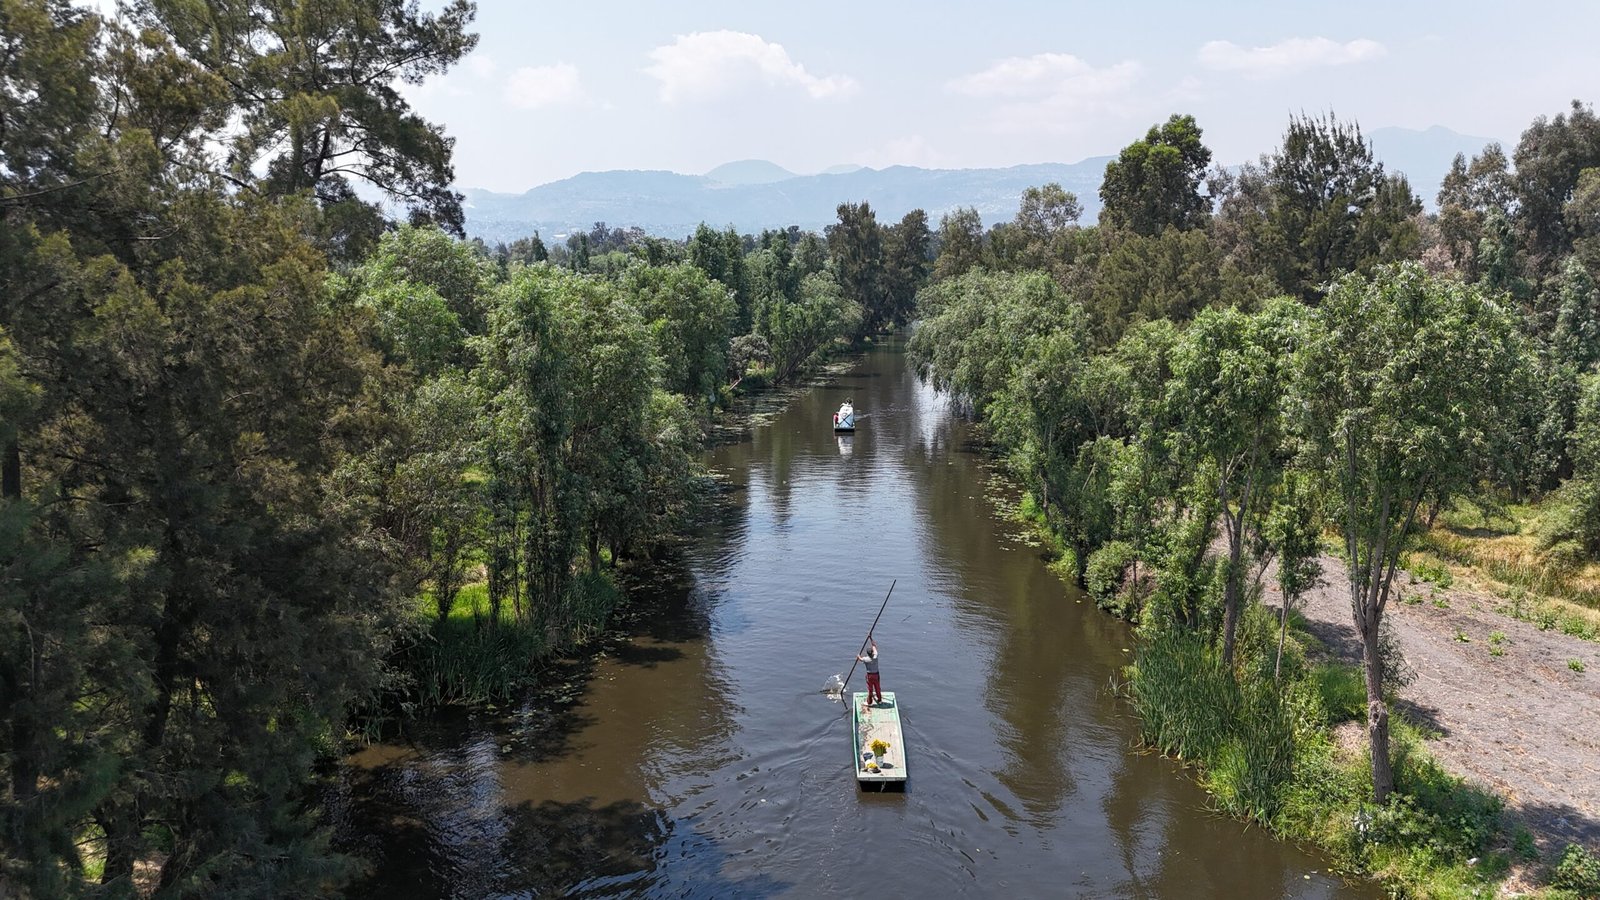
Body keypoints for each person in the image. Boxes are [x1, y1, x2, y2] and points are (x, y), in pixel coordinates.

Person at [858, 639, 882, 706]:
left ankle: (869, 702)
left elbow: (860, 659)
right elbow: (874, 646)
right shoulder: (875, 656)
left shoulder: (866, 659)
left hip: (870, 676)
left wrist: (858, 656)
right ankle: (879, 700)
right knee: (877, 687)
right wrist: (871, 639)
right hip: (876, 675)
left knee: (870, 689)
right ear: (872, 653)